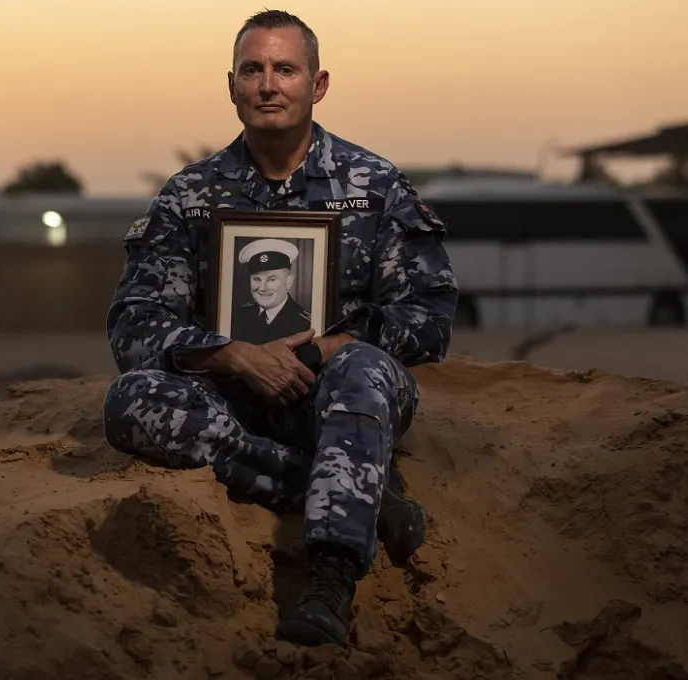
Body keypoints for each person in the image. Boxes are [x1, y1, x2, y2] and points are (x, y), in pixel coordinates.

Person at [100, 9, 458, 647]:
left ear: (317, 86)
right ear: (232, 85)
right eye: (253, 70)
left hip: (344, 395)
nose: (268, 84)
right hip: (237, 398)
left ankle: (329, 584)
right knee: (131, 401)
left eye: (285, 70)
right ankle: (347, 486)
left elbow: (428, 319)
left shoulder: (373, 187)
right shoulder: (191, 196)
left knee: (364, 368)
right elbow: (135, 326)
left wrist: (332, 347)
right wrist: (230, 354)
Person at [232, 238, 312, 343]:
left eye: (272, 279)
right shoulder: (240, 317)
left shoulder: (306, 324)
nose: (262, 288)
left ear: (288, 282)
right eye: (257, 279)